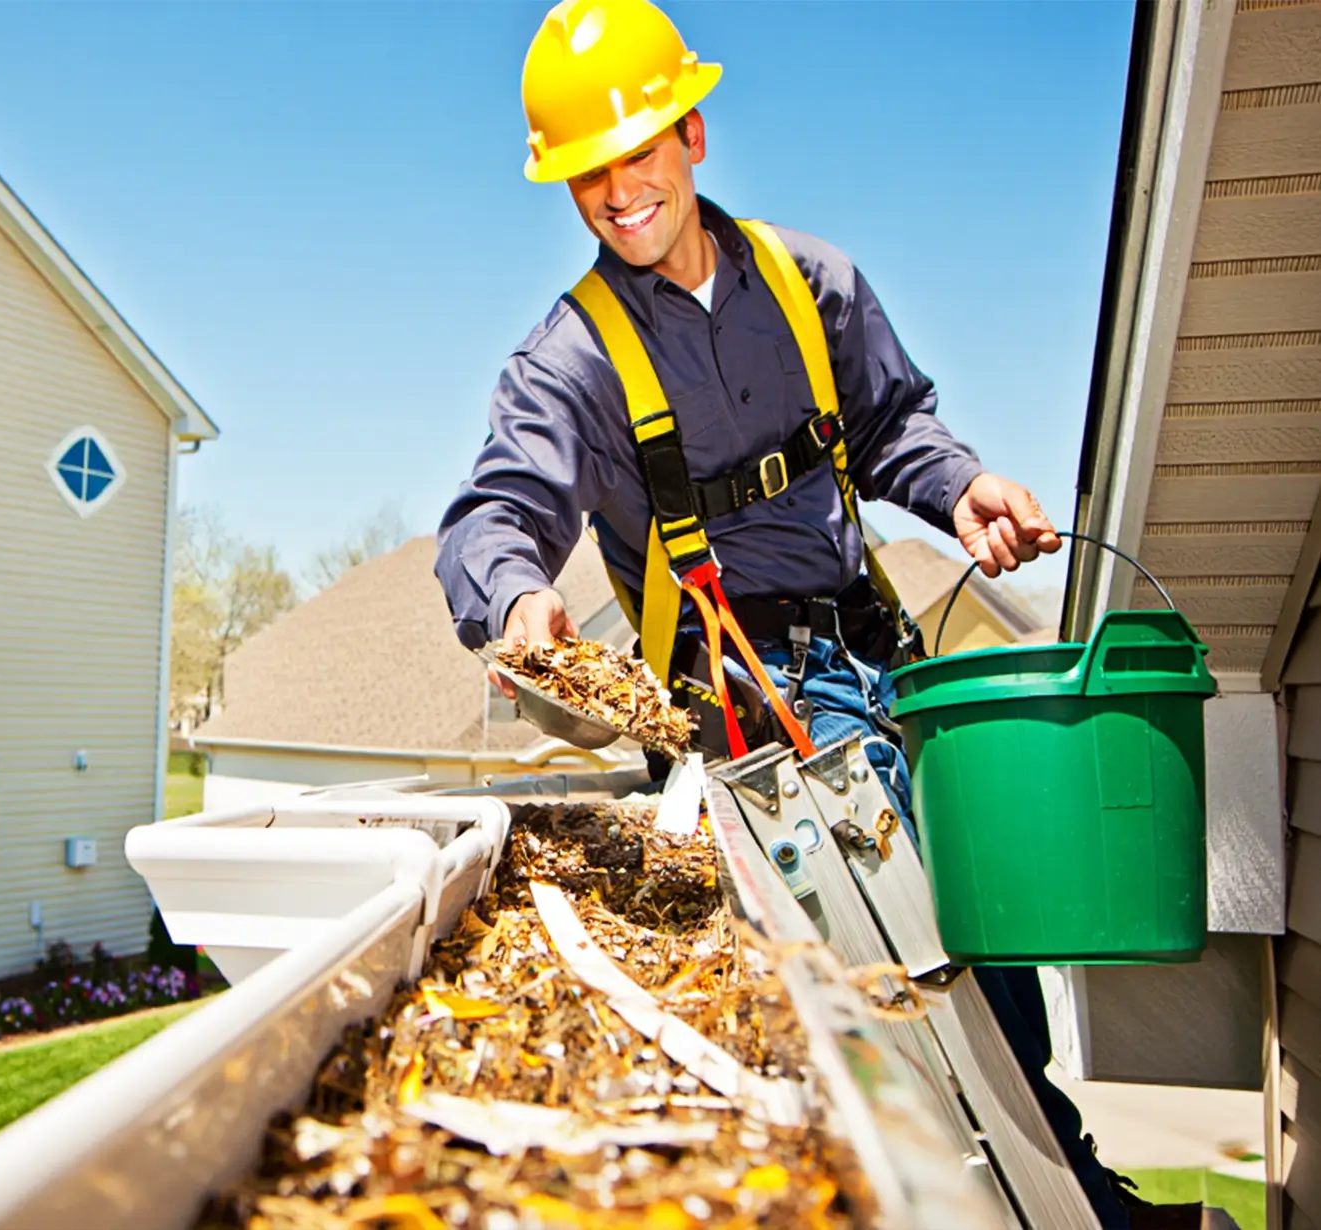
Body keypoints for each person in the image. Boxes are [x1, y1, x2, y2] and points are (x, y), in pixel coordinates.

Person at [434, 2, 1152, 1224]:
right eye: (586, 173)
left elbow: (889, 428)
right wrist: (516, 599)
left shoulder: (813, 280)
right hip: (753, 705)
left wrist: (961, 487)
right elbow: (494, 514)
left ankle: (1081, 1190)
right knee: (890, 995)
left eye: (638, 152)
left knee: (994, 946)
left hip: (882, 657)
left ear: (694, 134)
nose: (618, 191)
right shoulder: (570, 364)